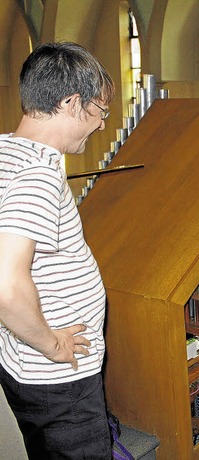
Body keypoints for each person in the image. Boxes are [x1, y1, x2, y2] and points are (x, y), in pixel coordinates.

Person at [0, 42, 114, 458]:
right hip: (57, 379)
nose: (102, 126)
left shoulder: (4, 151)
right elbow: (6, 286)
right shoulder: (37, 174)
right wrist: (51, 344)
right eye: (99, 112)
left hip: (21, 364)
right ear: (70, 102)